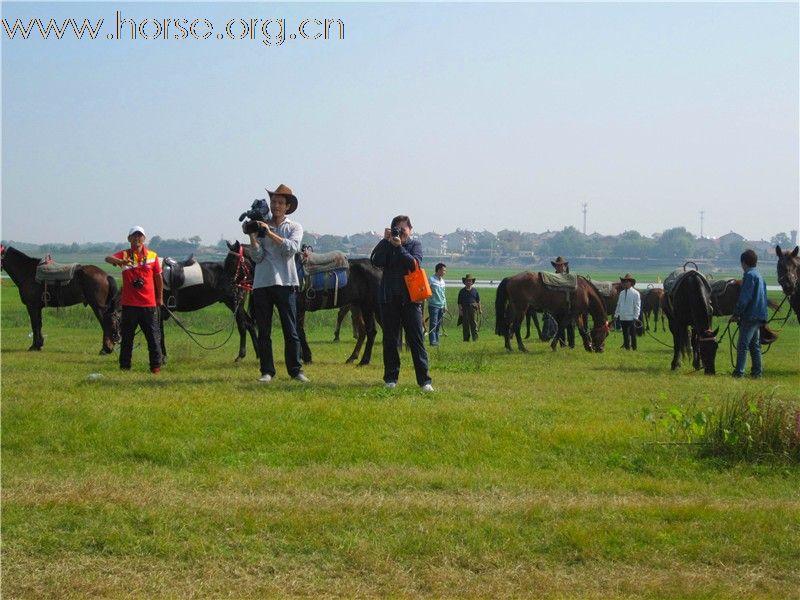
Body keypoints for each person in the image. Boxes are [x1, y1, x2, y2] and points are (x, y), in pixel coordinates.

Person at [243, 184, 308, 384]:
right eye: (273, 202)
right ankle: (267, 371)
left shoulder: (294, 227)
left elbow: (291, 249)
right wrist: (253, 237)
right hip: (262, 283)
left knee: (291, 329)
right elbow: (258, 257)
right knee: (264, 330)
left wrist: (269, 233)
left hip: (286, 283)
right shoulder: (261, 224)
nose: (276, 206)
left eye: (280, 202)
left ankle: (295, 370)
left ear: (287, 207)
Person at [370, 215, 433, 392]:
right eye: (397, 230)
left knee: (416, 340)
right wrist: (385, 241)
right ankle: (391, 378)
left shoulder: (415, 245)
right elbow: (375, 260)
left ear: (410, 230)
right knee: (390, 340)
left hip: (411, 300)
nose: (401, 234)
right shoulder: (387, 245)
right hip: (389, 298)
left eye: (403, 230)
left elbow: (414, 265)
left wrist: (400, 248)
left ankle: (424, 381)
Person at [105, 226, 163, 373]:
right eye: (134, 236)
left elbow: (158, 277)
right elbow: (107, 258)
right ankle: (125, 367)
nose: (137, 238)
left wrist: (160, 298)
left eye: (140, 236)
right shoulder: (124, 254)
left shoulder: (152, 256)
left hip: (148, 305)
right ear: (129, 239)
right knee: (127, 340)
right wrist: (120, 262)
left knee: (153, 338)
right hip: (129, 305)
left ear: (144, 238)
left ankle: (155, 368)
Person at [731, 249, 768, 378]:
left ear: (744, 262)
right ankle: (757, 373)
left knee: (743, 345)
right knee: (754, 345)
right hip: (759, 315)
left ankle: (739, 373)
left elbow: (745, 298)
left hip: (750, 316)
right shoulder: (759, 275)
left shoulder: (749, 276)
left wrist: (736, 313)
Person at [551, 256, 575, 348]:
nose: (559, 267)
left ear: (564, 266)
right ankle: (562, 344)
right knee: (560, 326)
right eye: (557, 265)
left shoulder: (569, 277)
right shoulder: (552, 278)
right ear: (555, 267)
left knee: (570, 326)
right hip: (557, 306)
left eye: (561, 265)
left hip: (568, 304)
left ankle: (571, 345)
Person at [614, 273, 642, 351]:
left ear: (630, 283)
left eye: (626, 282)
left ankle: (634, 348)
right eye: (624, 282)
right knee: (625, 334)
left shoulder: (635, 293)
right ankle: (627, 348)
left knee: (633, 334)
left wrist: (636, 317)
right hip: (623, 317)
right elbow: (618, 305)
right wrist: (616, 315)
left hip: (631, 317)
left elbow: (637, 306)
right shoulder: (621, 293)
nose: (624, 283)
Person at [428, 263, 447, 346]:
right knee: (433, 323)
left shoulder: (443, 281)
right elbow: (426, 291)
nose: (444, 272)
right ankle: (432, 341)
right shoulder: (431, 279)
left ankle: (436, 340)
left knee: (438, 324)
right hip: (433, 305)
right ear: (438, 270)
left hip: (441, 306)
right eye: (443, 270)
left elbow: (443, 294)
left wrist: (445, 305)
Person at [458, 274, 481, 342]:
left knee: (474, 324)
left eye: (470, 281)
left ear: (472, 282)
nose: (469, 282)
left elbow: (478, 301)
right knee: (465, 325)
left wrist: (480, 309)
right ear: (465, 282)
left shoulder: (475, 290)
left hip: (473, 309)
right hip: (465, 309)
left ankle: (475, 339)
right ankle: (466, 340)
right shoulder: (462, 291)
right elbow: (459, 302)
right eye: (467, 281)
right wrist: (460, 311)